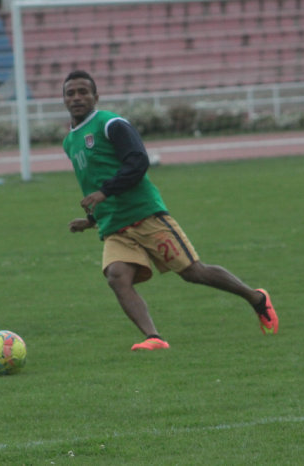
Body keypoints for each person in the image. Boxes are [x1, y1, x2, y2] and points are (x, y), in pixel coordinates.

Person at [62, 70, 278, 351]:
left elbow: (138, 162)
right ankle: (154, 338)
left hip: (146, 216)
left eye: (83, 92)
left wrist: (105, 192)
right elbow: (92, 181)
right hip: (115, 227)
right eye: (70, 93)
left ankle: (256, 299)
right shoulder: (70, 141)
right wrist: (91, 219)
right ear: (63, 99)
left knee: (193, 272)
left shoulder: (111, 124)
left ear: (96, 97)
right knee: (116, 277)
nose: (77, 98)